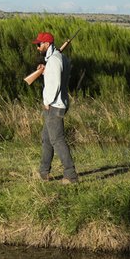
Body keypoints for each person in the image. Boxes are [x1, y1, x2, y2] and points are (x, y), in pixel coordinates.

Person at [32, 32, 78, 184]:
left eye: (39, 44)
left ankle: (71, 176)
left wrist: (47, 101)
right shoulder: (57, 58)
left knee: (57, 140)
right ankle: (44, 173)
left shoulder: (55, 60)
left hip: (54, 105)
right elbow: (56, 76)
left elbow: (56, 84)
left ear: (47, 44)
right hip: (55, 104)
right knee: (46, 139)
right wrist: (45, 71)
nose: (38, 47)